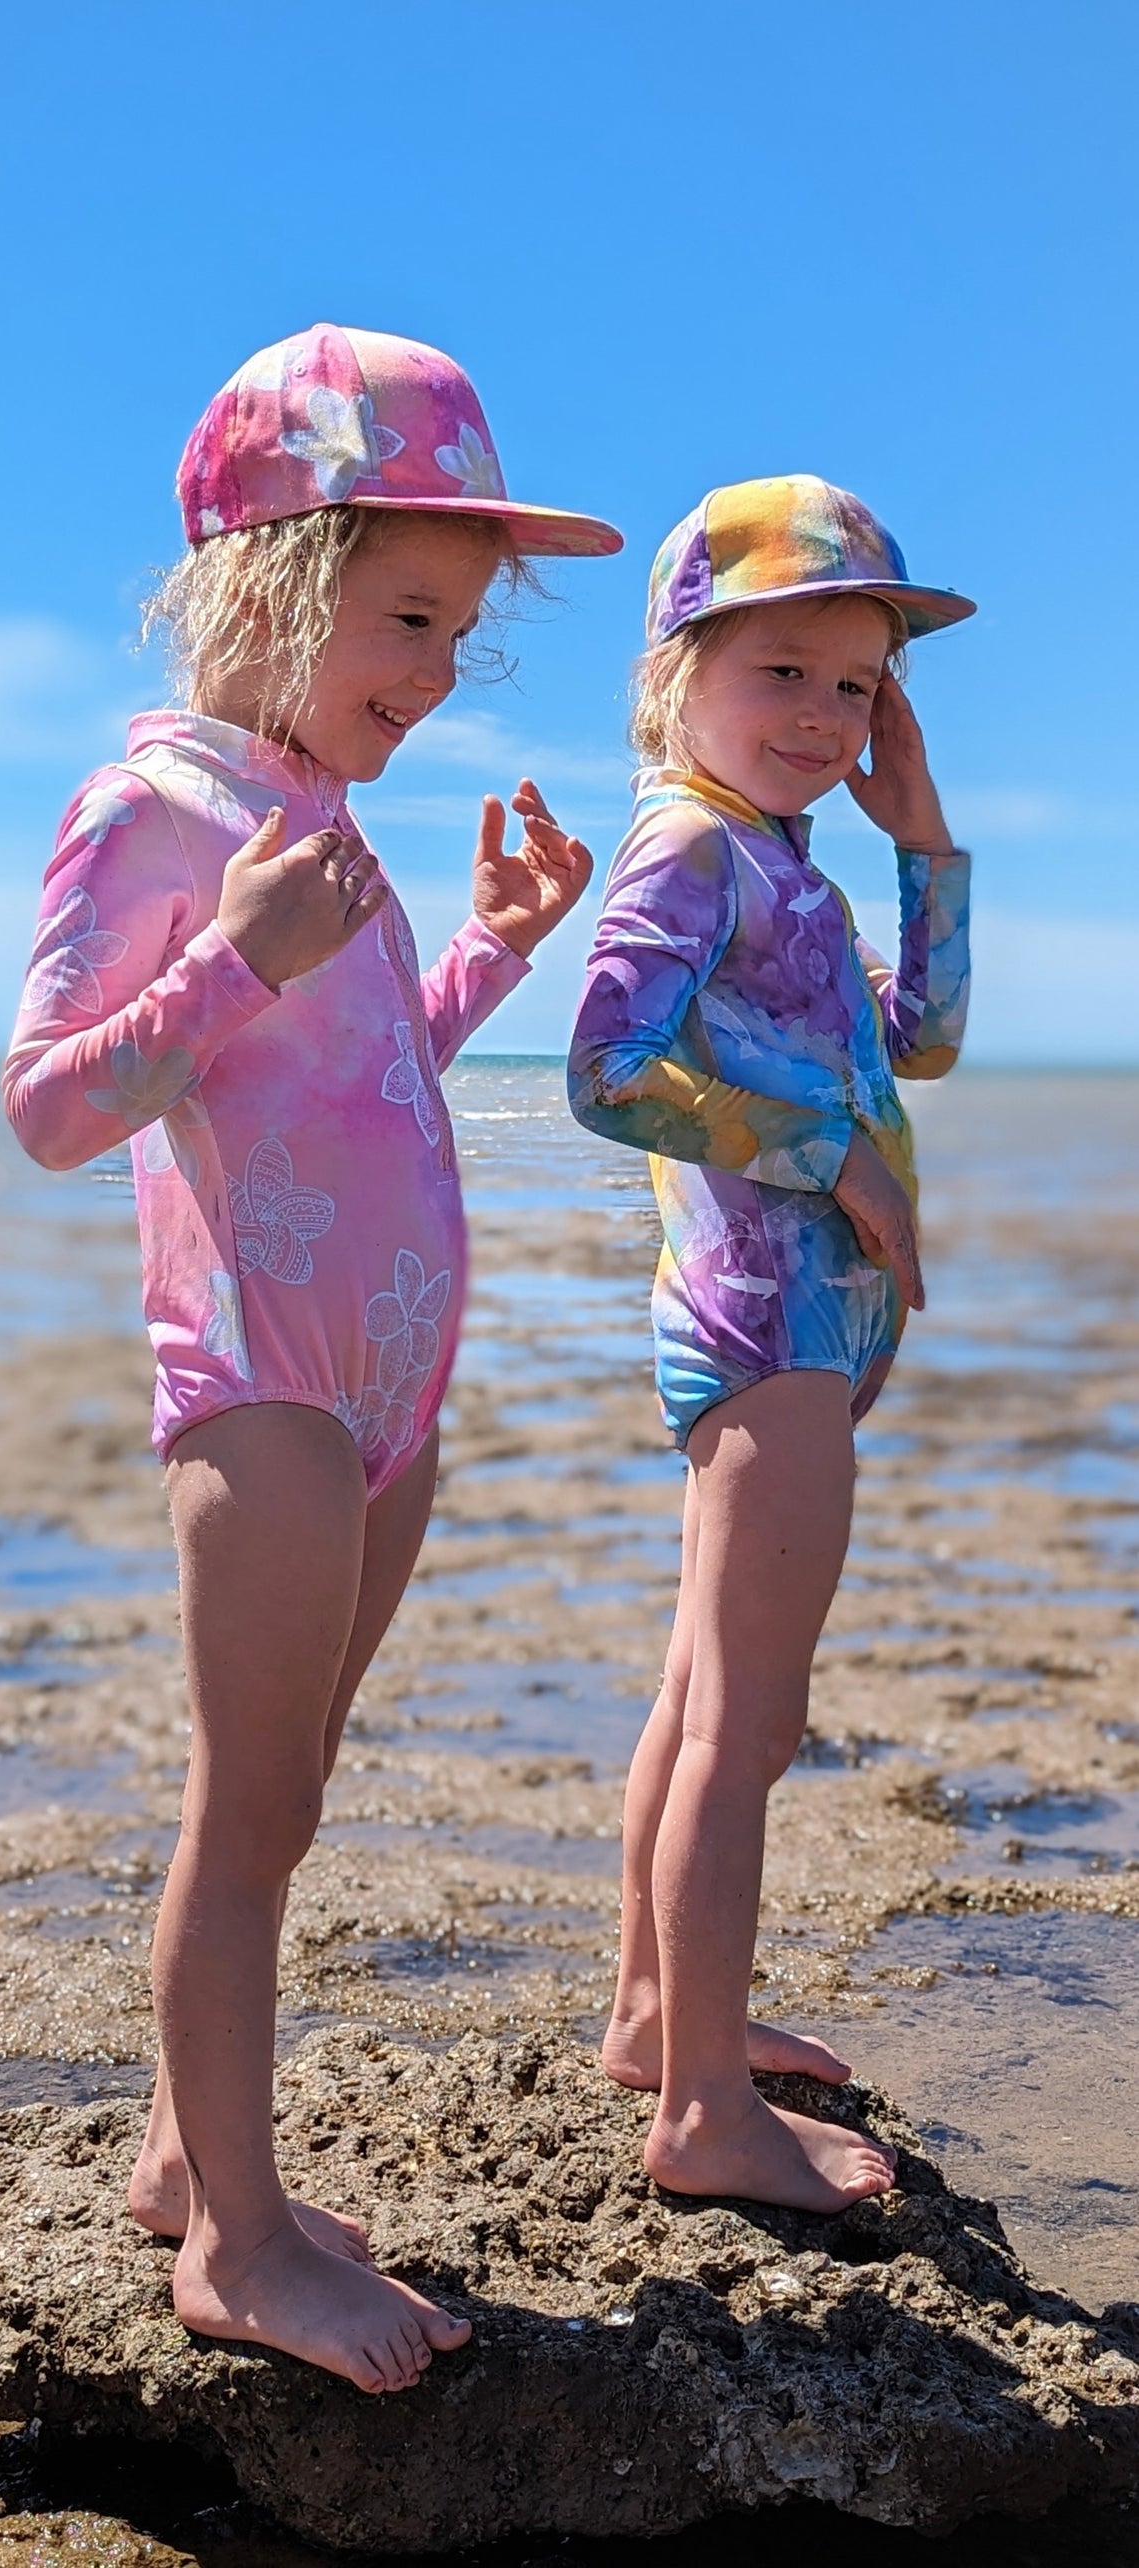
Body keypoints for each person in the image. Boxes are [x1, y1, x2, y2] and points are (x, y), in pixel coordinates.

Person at [4, 323, 620, 2390]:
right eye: (412, 618)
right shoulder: (157, 806)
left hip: (389, 1398)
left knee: (293, 1791)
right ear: (269, 577)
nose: (439, 675)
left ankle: (196, 2157)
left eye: (461, 635)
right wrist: (223, 951)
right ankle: (247, 2248)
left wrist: (492, 953)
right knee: (250, 1804)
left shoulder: (312, 818)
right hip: (261, 1381)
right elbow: (52, 1110)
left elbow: (363, 1079)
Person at [567, 475, 972, 2211]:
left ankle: (659, 2019)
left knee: (693, 1694)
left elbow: (924, 1041)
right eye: (783, 673)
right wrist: (837, 1165)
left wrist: (919, 834)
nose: (822, 715)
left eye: (857, 687)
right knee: (750, 1722)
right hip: (760, 1327)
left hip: (799, 1330)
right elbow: (607, 1069)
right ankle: (705, 2121)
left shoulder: (782, 865)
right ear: (676, 680)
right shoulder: (687, 845)